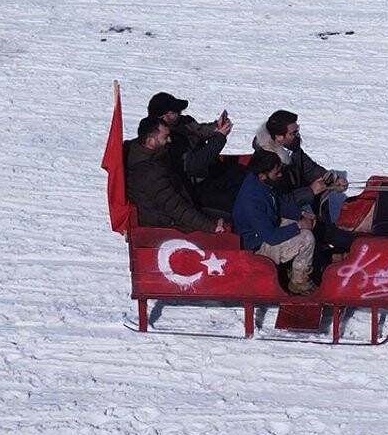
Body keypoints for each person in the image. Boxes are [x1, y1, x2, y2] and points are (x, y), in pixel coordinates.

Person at [252, 110, 354, 253]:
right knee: (329, 233)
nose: (297, 136)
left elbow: (309, 168)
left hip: (298, 204)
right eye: (293, 133)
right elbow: (278, 201)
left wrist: (332, 180)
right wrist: (310, 191)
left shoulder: (291, 148)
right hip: (283, 214)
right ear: (279, 137)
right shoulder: (268, 163)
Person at [233, 150, 317, 295]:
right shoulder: (252, 201)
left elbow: (277, 203)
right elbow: (271, 237)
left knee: (306, 224)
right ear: (262, 176)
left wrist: (301, 214)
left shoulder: (262, 184)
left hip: (268, 228)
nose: (280, 175)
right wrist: (299, 225)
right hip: (257, 247)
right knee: (307, 238)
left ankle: (296, 266)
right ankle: (299, 281)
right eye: (276, 173)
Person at [125, 116, 228, 234]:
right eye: (165, 137)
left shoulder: (154, 155)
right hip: (168, 227)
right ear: (150, 141)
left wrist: (214, 128)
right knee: (229, 227)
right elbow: (177, 208)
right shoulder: (149, 173)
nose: (170, 140)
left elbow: (189, 133)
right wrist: (211, 227)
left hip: (177, 213)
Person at [147, 92, 244, 215]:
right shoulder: (164, 141)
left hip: (212, 171)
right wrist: (219, 138)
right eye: (175, 111)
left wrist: (216, 127)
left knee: (244, 175)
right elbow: (194, 166)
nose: (180, 113)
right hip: (197, 186)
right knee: (237, 199)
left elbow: (199, 130)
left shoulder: (182, 122)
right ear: (164, 117)